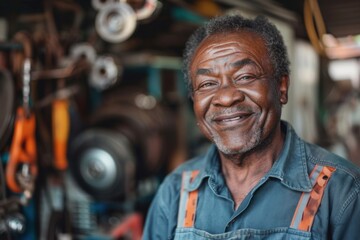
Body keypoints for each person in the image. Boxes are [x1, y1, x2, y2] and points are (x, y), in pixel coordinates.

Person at [142, 14, 360, 239]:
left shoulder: (342, 192)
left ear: (282, 87)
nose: (226, 98)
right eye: (207, 84)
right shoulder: (177, 190)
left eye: (245, 77)